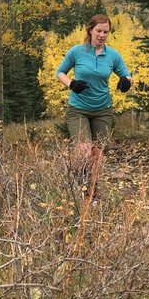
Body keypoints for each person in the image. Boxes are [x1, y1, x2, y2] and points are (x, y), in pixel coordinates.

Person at [56, 14, 132, 200]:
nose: (102, 35)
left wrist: (126, 81)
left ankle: (92, 191)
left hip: (102, 110)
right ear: (90, 30)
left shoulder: (113, 55)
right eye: (99, 31)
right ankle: (79, 186)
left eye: (106, 32)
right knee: (83, 150)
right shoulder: (77, 51)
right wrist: (71, 84)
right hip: (78, 109)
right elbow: (60, 72)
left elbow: (127, 75)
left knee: (97, 154)